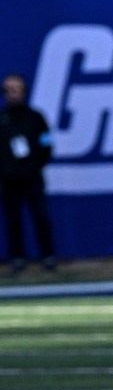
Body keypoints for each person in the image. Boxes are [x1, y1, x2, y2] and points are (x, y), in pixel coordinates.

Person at [0, 73, 56, 274]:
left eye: (16, 89)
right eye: (8, 90)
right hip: (9, 181)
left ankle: (48, 257)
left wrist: (36, 165)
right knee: (13, 221)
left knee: (41, 217)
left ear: (23, 91)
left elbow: (47, 143)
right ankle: (17, 258)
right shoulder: (2, 119)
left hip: (32, 178)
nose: (13, 93)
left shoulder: (35, 117)